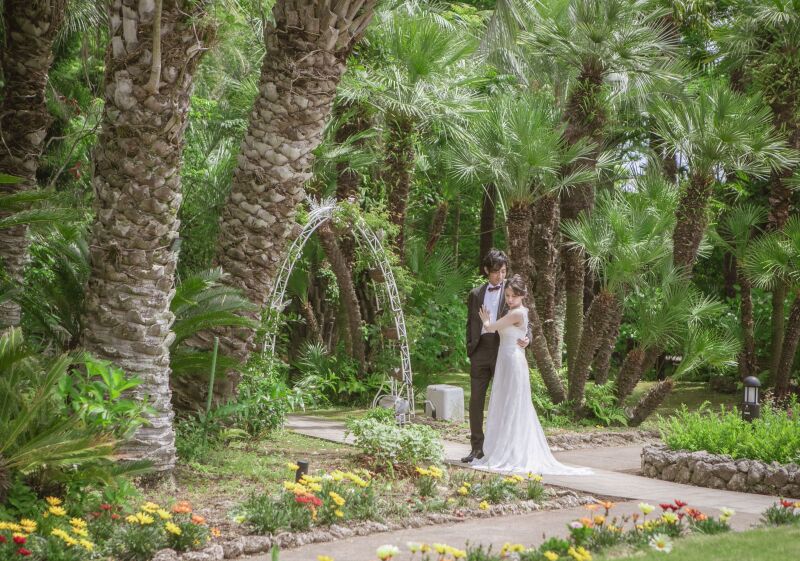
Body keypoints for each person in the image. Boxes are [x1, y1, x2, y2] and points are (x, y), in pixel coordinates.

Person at [472, 275, 592, 475]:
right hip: (506, 359)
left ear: (523, 296)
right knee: (507, 404)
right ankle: (507, 447)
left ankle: (512, 451)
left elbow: (491, 328)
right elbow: (518, 331)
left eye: (514, 296)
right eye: (508, 295)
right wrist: (524, 337)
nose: (510, 299)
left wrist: (485, 320)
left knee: (513, 404)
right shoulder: (514, 311)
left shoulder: (517, 313)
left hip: (512, 360)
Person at [462, 249, 530, 463]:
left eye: (502, 271)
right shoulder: (475, 294)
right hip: (480, 350)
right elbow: (470, 323)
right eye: (495, 272)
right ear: (486, 271)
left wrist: (528, 338)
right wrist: (470, 348)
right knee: (475, 401)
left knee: (503, 400)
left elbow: (526, 319)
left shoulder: (511, 291)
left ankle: (500, 448)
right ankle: (477, 449)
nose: (500, 276)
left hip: (503, 350)